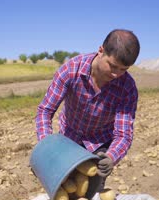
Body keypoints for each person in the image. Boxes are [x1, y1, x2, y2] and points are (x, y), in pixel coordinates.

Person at [35, 29, 140, 183]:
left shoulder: (127, 88)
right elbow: (45, 110)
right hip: (68, 137)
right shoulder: (71, 70)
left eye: (123, 69)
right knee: (63, 185)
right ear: (100, 51)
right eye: (112, 66)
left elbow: (123, 134)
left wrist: (111, 157)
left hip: (100, 142)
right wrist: (47, 145)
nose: (116, 74)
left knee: (91, 190)